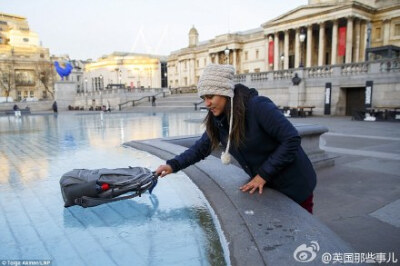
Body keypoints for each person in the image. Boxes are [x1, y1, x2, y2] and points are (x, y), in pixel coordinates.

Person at [156, 64, 316, 213]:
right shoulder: (218, 119)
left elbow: (291, 139)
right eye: (204, 98)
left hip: (294, 183)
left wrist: (262, 175)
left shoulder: (258, 107)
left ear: (225, 92)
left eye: (210, 96)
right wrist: (173, 165)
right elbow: (201, 148)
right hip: (266, 184)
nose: (207, 103)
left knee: (302, 236)